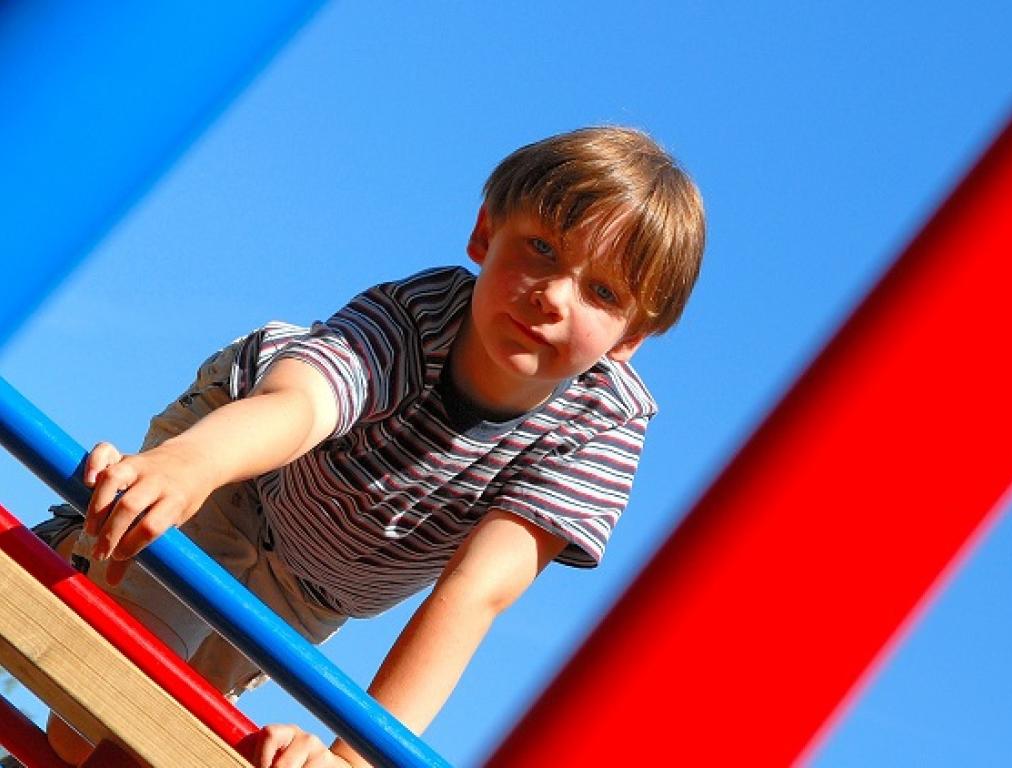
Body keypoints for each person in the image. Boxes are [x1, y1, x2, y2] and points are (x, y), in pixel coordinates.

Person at [33, 126, 705, 768]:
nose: (554, 295)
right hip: (239, 476)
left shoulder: (597, 431)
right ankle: (77, 543)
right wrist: (189, 466)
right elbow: (301, 406)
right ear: (485, 234)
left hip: (317, 587)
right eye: (541, 249)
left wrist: (351, 757)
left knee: (140, 749)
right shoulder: (419, 315)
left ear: (626, 342)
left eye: (602, 292)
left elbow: (476, 591)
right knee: (88, 712)